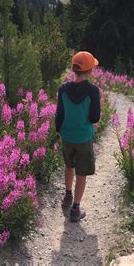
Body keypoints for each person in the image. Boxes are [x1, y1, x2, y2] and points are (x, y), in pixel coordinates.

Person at [55, 51, 101, 222]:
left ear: (74, 69)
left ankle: (67, 194)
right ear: (89, 71)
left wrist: (58, 130)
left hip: (67, 136)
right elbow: (95, 117)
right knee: (82, 173)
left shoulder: (63, 89)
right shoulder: (93, 91)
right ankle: (75, 208)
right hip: (84, 138)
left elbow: (59, 115)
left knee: (69, 165)